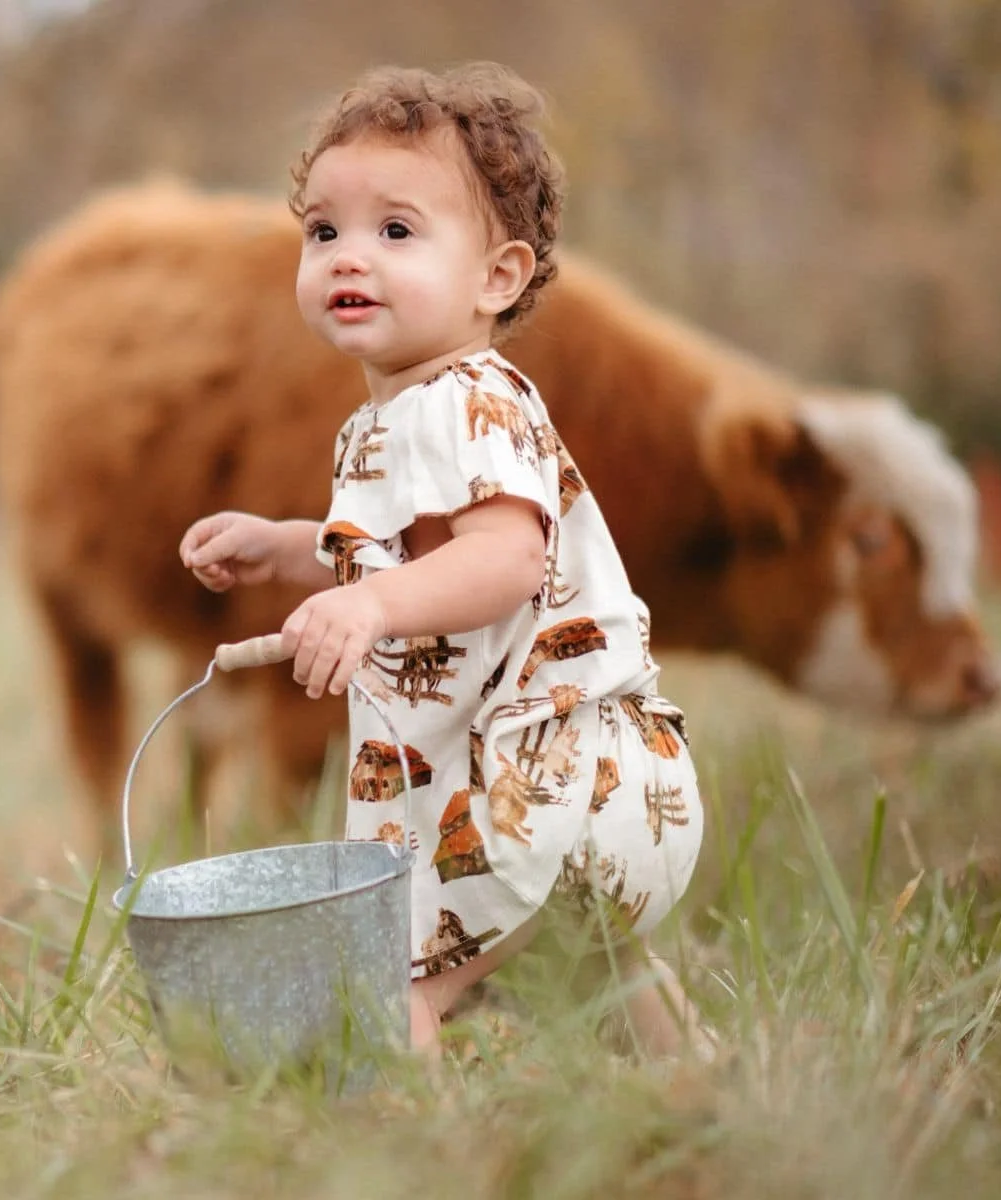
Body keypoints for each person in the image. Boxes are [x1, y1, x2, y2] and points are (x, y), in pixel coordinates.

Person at [179, 62, 710, 1059]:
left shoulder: (465, 400)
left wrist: (372, 608)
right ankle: (706, 1095)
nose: (349, 257)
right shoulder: (402, 414)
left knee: (393, 982)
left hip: (544, 776)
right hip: (606, 788)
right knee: (608, 967)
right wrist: (290, 548)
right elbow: (404, 557)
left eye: (396, 230)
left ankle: (416, 1157)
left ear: (496, 278)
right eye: (323, 230)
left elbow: (504, 563)